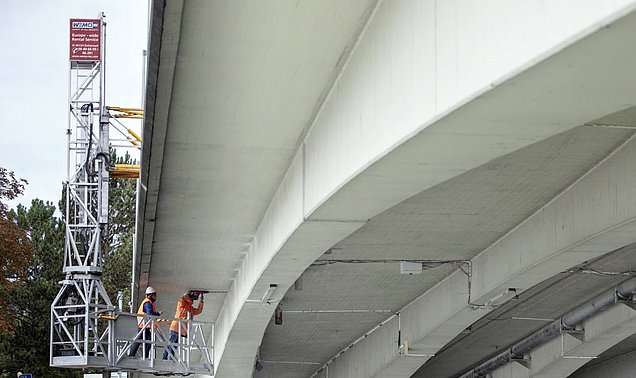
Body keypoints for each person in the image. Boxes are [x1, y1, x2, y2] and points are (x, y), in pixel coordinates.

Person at [163, 290, 204, 360]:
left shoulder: (189, 308)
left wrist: (201, 301)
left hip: (179, 330)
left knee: (174, 345)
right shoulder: (181, 303)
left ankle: (170, 358)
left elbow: (198, 311)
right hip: (175, 329)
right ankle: (165, 358)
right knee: (170, 344)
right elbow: (182, 299)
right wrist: (187, 294)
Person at [129, 286, 162, 358]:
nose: (155, 297)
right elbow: (150, 314)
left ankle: (144, 356)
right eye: (154, 295)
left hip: (146, 326)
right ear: (150, 295)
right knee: (139, 340)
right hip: (144, 325)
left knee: (148, 342)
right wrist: (158, 314)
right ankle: (131, 355)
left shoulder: (148, 302)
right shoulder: (147, 303)